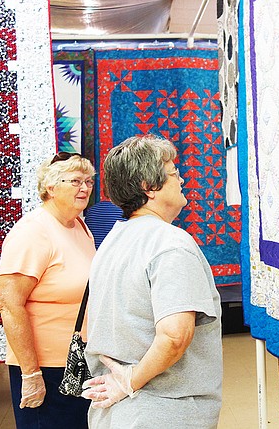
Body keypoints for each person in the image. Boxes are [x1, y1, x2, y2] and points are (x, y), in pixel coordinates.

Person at [81, 135, 223, 428]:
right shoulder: (170, 244)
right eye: (174, 174)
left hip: (115, 414)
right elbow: (174, 337)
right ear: (149, 187)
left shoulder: (113, 240)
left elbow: (88, 329)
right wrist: (130, 381)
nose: (181, 180)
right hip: (160, 411)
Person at [0, 152, 96, 428]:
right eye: (75, 181)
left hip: (77, 362)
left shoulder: (77, 224)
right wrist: (31, 374)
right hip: (47, 370)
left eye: (88, 181)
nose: (85, 188)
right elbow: (9, 304)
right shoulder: (32, 232)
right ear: (51, 187)